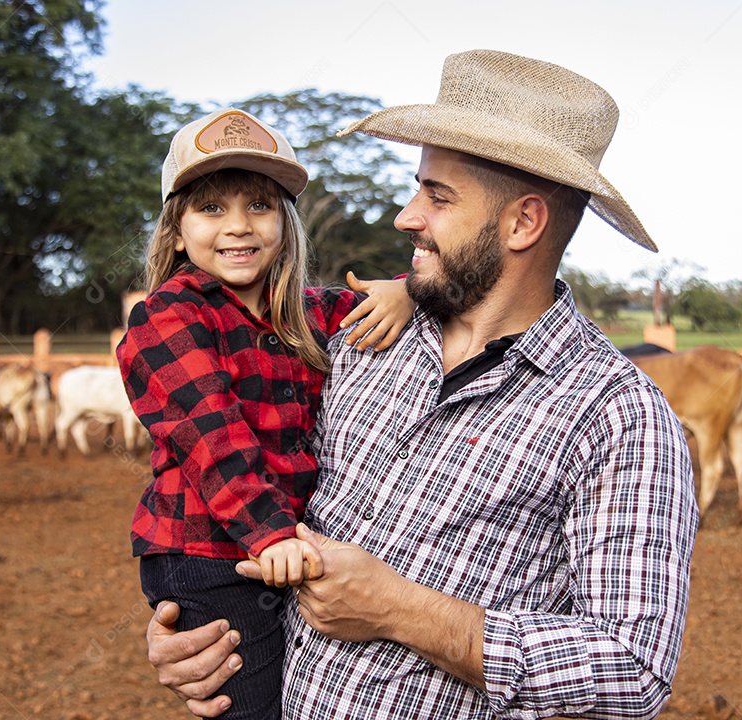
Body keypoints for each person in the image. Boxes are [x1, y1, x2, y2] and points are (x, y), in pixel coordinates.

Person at [141, 51, 699, 720]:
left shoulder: (619, 417)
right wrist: (200, 630)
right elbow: (245, 468)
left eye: (436, 197)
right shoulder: (356, 343)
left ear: (523, 223)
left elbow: (631, 669)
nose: (407, 217)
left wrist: (401, 611)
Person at [116, 108, 415, 720]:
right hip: (210, 551)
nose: (238, 226)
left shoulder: (309, 314)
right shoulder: (168, 318)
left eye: (259, 205)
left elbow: (387, 302)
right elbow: (212, 440)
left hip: (282, 545)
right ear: (176, 231)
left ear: (285, 220)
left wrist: (407, 288)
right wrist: (270, 532)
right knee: (253, 707)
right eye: (212, 209)